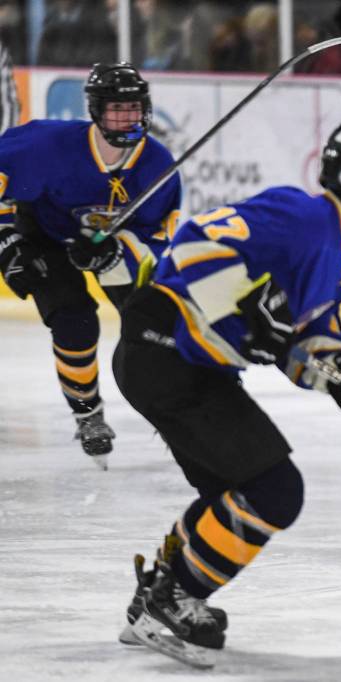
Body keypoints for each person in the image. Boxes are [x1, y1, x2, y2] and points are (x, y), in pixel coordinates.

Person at [112, 119, 341, 668]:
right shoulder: (303, 216)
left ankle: (155, 596)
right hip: (164, 348)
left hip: (188, 366)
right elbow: (192, 246)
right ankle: (172, 600)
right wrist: (243, 308)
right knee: (275, 490)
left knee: (235, 493)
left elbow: (306, 344)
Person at [0, 62, 181, 468]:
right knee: (74, 319)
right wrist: (6, 238)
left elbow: (157, 239)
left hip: (110, 245)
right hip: (43, 235)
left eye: (135, 108)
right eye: (117, 109)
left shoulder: (157, 166)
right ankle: (88, 413)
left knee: (155, 322)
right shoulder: (46, 146)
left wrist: (115, 253)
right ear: (96, 111)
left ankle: (176, 412)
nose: (128, 118)